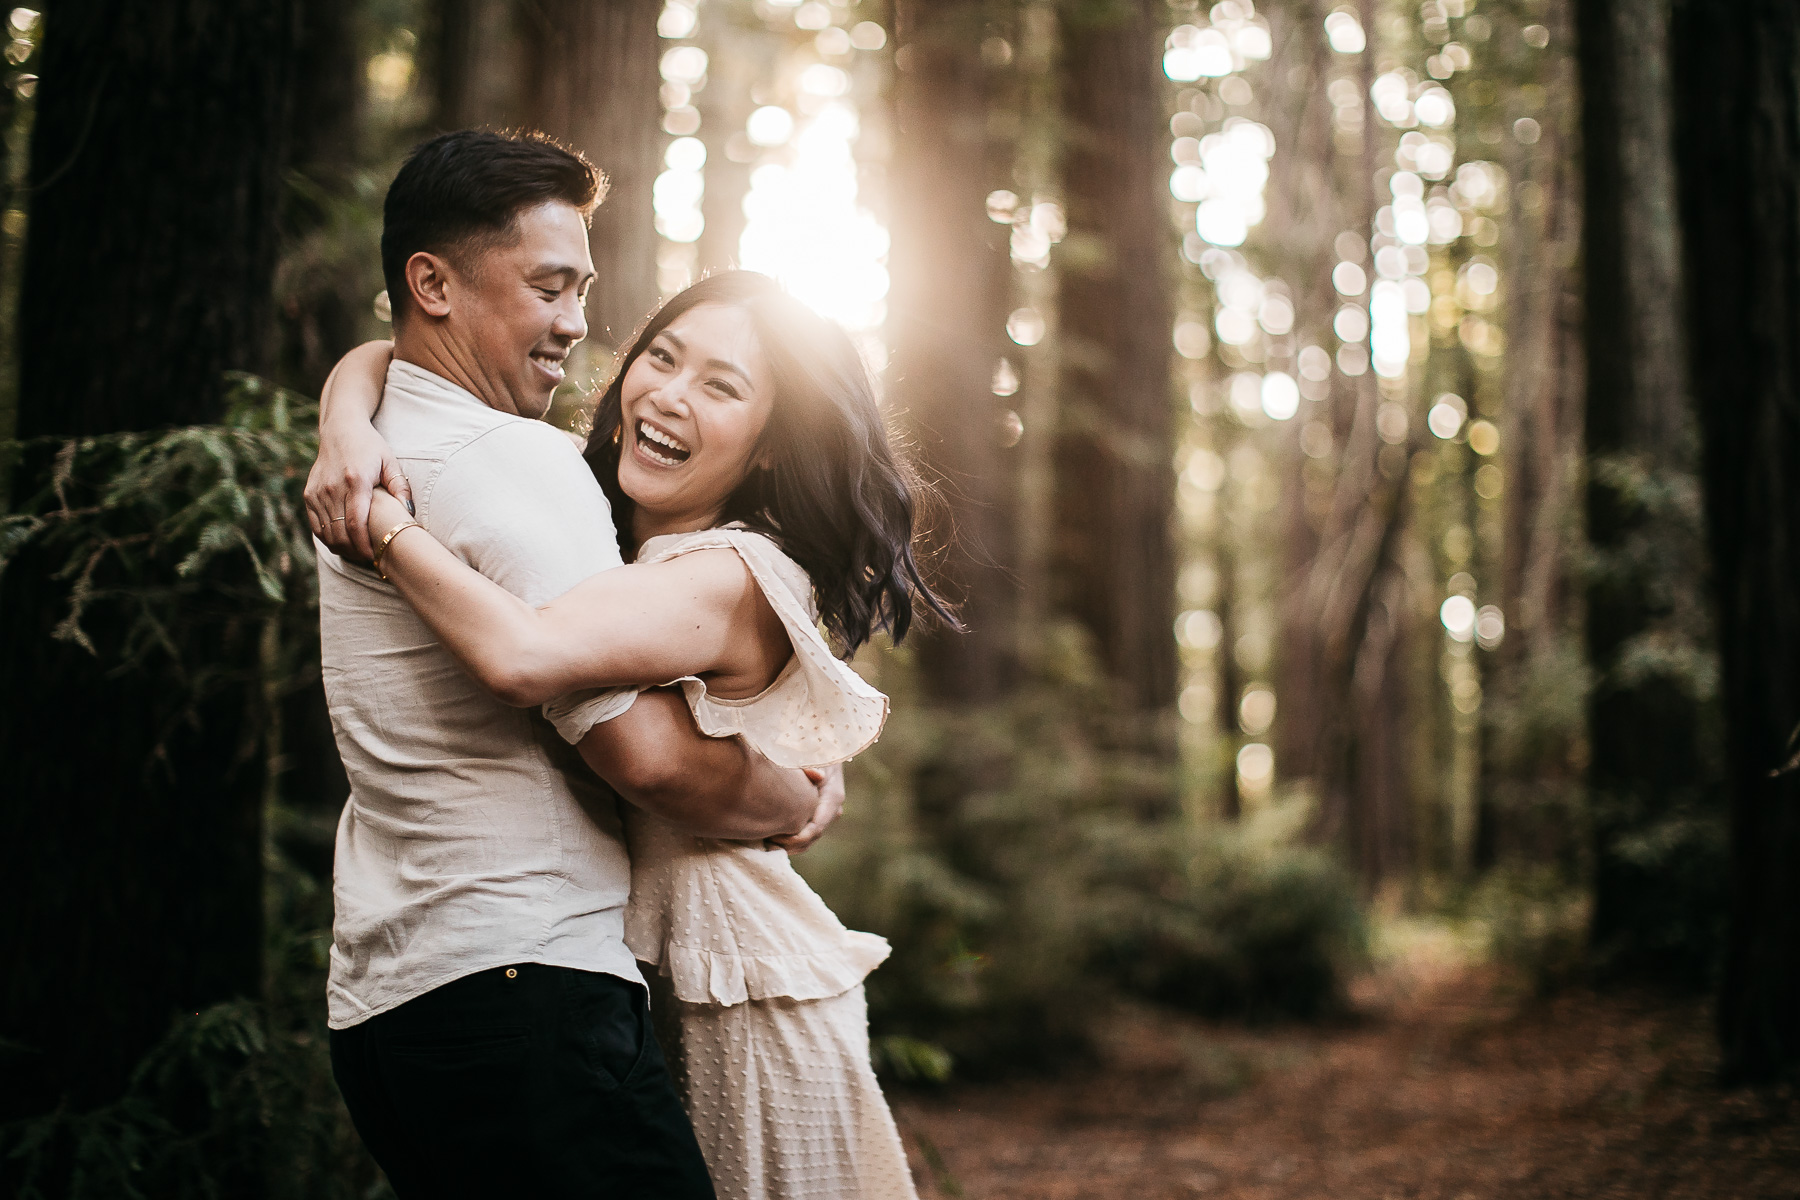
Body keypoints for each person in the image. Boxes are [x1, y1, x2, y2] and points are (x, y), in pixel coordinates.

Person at [309, 268, 957, 1200]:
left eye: (721, 386)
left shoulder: (726, 570)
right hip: (641, 975)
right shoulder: (602, 537)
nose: (668, 394)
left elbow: (526, 656)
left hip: (741, 985)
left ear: (770, 448)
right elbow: (389, 354)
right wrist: (345, 422)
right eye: (662, 355)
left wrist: (380, 522)